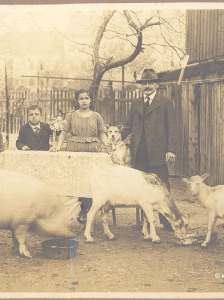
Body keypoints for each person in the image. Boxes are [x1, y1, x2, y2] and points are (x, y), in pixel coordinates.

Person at [121, 68, 178, 231]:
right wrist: (116, 140)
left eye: (151, 83)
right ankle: (145, 223)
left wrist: (171, 149)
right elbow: (127, 126)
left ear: (157, 84)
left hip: (158, 152)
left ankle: (168, 222)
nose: (147, 86)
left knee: (162, 186)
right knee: (142, 188)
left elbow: (172, 128)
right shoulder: (136, 104)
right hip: (139, 153)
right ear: (141, 86)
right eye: (144, 83)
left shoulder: (165, 102)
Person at [53, 88, 110, 222]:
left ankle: (88, 211)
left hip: (93, 153)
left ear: (90, 100)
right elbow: (63, 132)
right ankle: (79, 211)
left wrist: (107, 146)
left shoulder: (96, 116)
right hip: (74, 153)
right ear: (77, 101)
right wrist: (58, 147)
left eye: (86, 98)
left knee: (91, 183)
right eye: (81, 98)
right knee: (76, 182)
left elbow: (102, 133)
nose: (84, 101)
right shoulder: (71, 115)